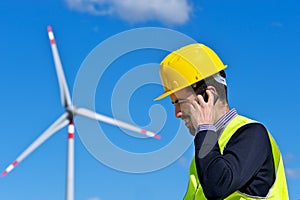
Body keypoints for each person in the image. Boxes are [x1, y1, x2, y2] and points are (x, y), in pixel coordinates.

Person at [154, 43, 289, 199]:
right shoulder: (206, 154)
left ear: (208, 95)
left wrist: (205, 128)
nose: (177, 113)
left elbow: (217, 186)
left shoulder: (252, 134)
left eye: (181, 101)